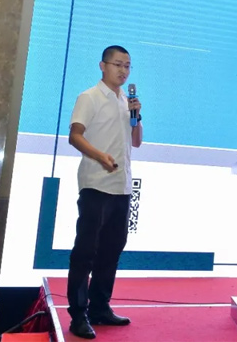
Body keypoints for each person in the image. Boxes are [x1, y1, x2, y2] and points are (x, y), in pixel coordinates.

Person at [66, 45, 143, 339]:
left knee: (111, 250)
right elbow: (75, 136)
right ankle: (78, 315)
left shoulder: (127, 101)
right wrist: (100, 156)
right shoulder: (89, 97)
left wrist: (137, 115)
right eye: (118, 64)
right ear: (103, 66)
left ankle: (100, 307)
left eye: (127, 66)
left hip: (121, 186)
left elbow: (136, 142)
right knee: (85, 252)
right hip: (96, 184)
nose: (123, 71)